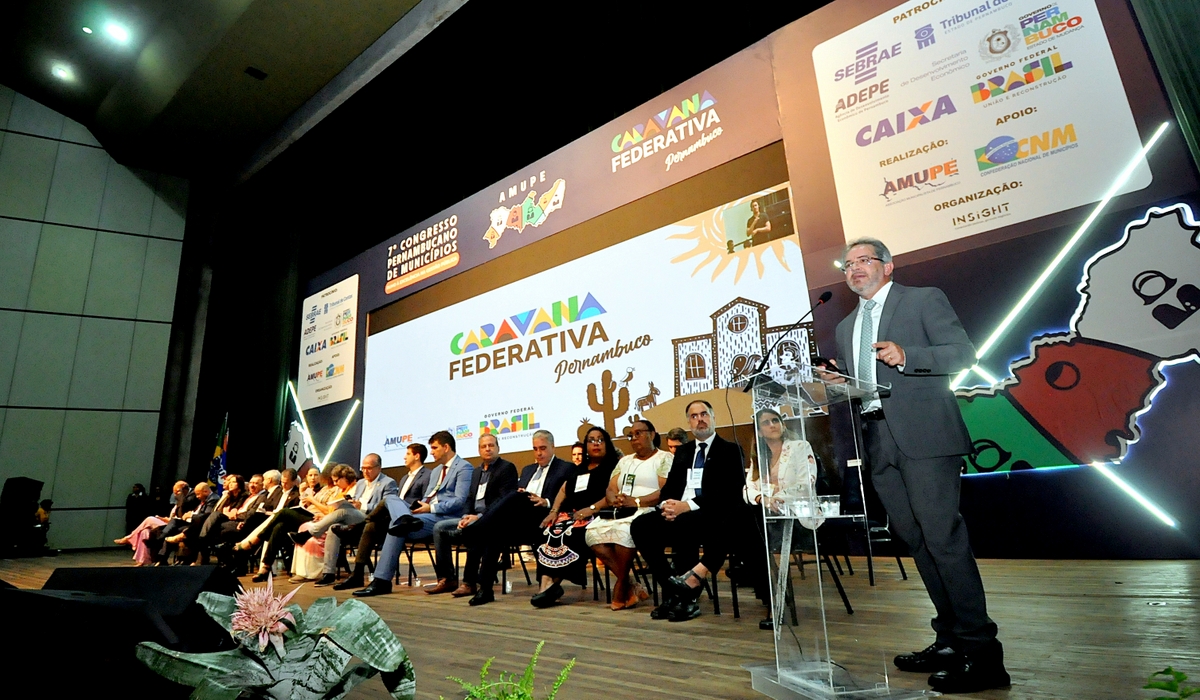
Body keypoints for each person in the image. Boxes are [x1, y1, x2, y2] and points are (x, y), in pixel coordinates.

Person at [828, 237, 1006, 693]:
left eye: (864, 260)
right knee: (918, 542)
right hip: (877, 439)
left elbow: (964, 354)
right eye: (848, 264)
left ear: (888, 267)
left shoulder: (923, 300)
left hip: (925, 436)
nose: (854, 269)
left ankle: (984, 655)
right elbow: (864, 385)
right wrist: (837, 382)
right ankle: (949, 639)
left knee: (943, 539)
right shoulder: (846, 325)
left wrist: (909, 357)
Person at [630, 399, 746, 622]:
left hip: (711, 514)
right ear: (689, 422)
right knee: (641, 526)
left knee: (686, 523)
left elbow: (728, 492)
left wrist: (688, 506)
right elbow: (670, 487)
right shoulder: (683, 451)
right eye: (694, 416)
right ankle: (675, 589)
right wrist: (667, 506)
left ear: (713, 417)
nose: (699, 419)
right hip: (679, 511)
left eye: (704, 414)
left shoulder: (730, 450)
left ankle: (688, 599)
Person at [459, 429, 575, 606]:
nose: (539, 453)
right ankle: (486, 589)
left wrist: (547, 501)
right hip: (520, 518)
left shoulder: (565, 468)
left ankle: (479, 527)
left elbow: (571, 498)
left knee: (512, 498)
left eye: (543, 448)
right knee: (496, 529)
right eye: (535, 449)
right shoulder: (528, 470)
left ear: (553, 446)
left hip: (544, 517)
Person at [351, 431, 474, 597]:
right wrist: (420, 506)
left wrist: (430, 508)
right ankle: (405, 518)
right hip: (424, 515)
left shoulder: (464, 467)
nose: (431, 452)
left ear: (446, 447)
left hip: (446, 516)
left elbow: (460, 501)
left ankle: (382, 581)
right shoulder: (437, 471)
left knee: (397, 526)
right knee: (392, 499)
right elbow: (427, 497)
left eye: (435, 448)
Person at [530, 426, 619, 608]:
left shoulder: (614, 466)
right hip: (571, 514)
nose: (595, 444)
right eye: (591, 440)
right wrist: (553, 511)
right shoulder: (580, 468)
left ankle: (552, 586)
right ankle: (546, 584)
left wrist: (592, 509)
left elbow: (613, 493)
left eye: (600, 440)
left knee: (573, 533)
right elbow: (564, 489)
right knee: (547, 531)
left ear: (607, 444)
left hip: (597, 515)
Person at [586, 419, 670, 610]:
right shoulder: (624, 461)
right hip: (622, 509)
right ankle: (630, 583)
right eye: (631, 435)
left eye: (639, 433)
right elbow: (610, 488)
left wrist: (637, 501)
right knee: (592, 533)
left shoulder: (664, 458)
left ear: (652, 434)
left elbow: (664, 491)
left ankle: (621, 585)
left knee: (626, 532)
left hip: (648, 509)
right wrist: (614, 498)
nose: (634, 438)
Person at [425, 433, 518, 596]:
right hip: (472, 518)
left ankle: (469, 582)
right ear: (479, 450)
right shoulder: (476, 472)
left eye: (491, 445)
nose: (488, 449)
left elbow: (503, 500)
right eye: (484, 446)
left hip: (493, 520)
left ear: (498, 448)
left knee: (471, 529)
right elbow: (469, 499)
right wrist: (466, 515)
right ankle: (447, 578)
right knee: (440, 529)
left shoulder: (506, 468)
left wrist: (480, 517)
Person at [291, 453, 398, 586]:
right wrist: (352, 503)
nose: (365, 471)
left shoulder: (388, 483)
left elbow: (389, 505)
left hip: (372, 520)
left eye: (369, 468)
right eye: (363, 468)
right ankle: (328, 573)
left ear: (379, 467)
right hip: (353, 517)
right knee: (333, 527)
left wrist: (362, 505)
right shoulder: (360, 483)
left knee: (342, 511)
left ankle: (308, 534)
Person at [747, 408, 817, 511]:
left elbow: (806, 484)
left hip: (801, 516)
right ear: (759, 433)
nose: (772, 425)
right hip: (769, 518)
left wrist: (775, 499)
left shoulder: (800, 447)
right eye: (766, 423)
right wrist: (762, 499)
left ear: (783, 426)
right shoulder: (759, 457)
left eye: (775, 420)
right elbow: (747, 490)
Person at [116, 480, 194, 566]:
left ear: (182, 490)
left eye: (176, 492)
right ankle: (143, 560)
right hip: (170, 522)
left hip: (175, 525)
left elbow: (180, 516)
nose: (175, 495)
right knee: (144, 532)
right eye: (174, 493)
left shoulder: (189, 498)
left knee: (149, 519)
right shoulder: (180, 500)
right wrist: (163, 519)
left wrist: (179, 500)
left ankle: (129, 537)